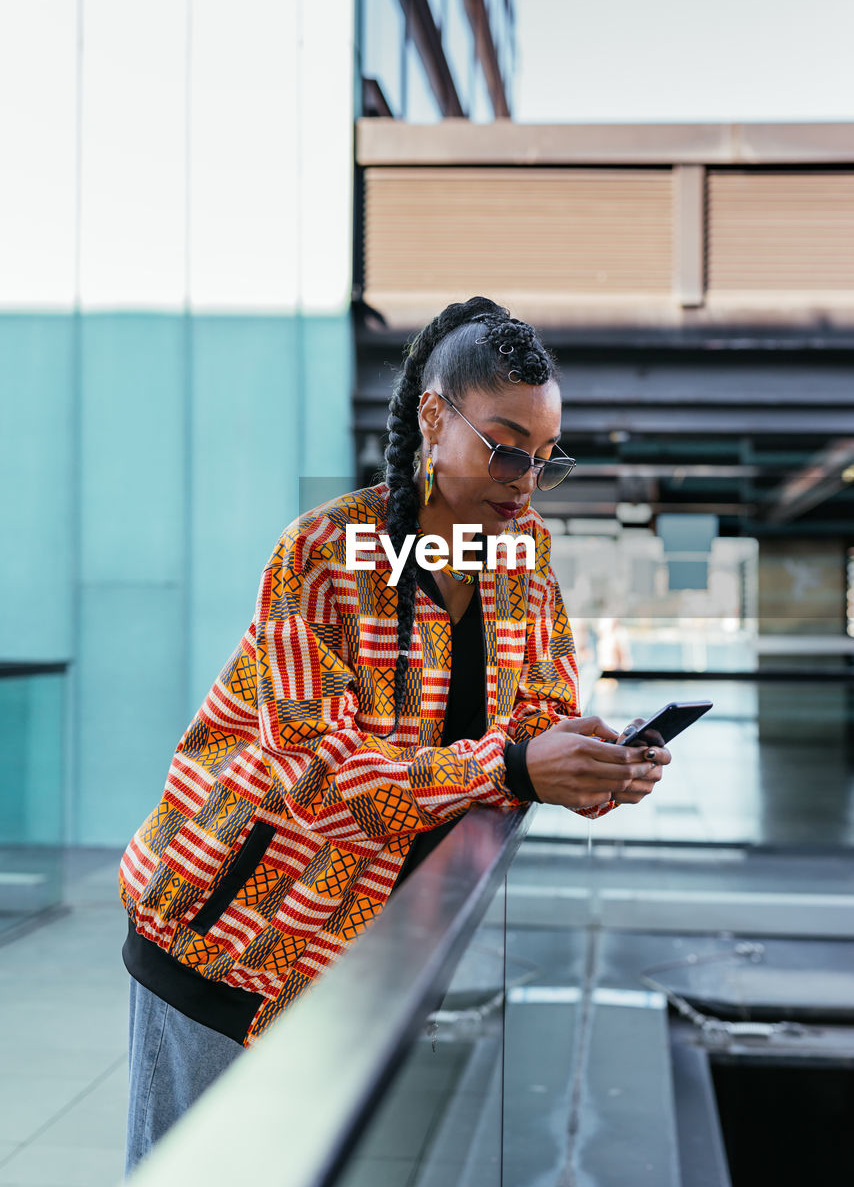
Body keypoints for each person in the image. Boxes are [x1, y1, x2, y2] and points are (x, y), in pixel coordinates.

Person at [118, 297, 670, 1174]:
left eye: (545, 456)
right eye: (504, 446)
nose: (524, 476)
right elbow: (311, 772)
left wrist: (592, 763)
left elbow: (533, 718)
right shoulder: (327, 553)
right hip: (229, 941)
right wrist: (519, 765)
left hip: (362, 965)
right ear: (432, 418)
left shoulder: (520, 559)